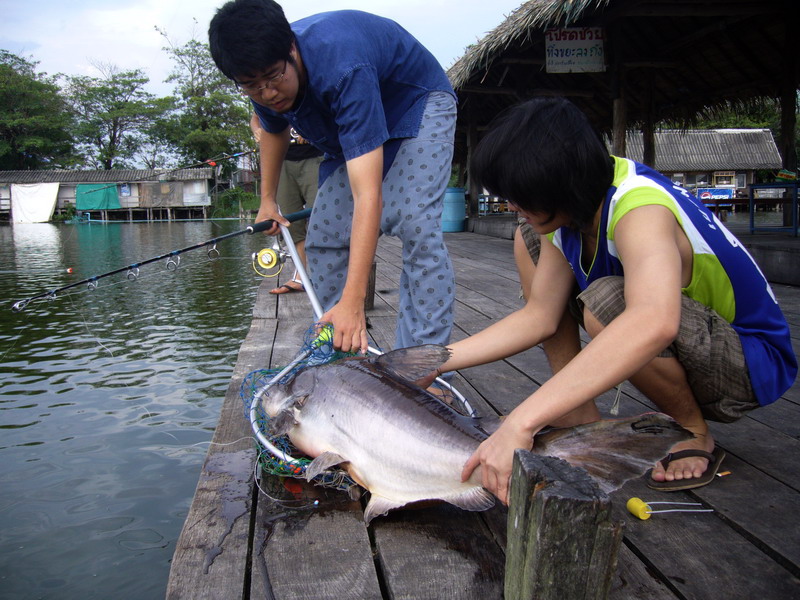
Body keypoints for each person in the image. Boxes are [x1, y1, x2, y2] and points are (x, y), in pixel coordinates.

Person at [426, 97, 797, 505]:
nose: (511, 205)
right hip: (695, 351)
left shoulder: (640, 204)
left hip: (748, 363)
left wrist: (521, 421)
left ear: (558, 181)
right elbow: (540, 317)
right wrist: (428, 362)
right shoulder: (567, 216)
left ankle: (693, 431)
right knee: (528, 236)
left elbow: (654, 322)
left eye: (518, 195)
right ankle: (579, 416)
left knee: (608, 302)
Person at [210, 1, 457, 353]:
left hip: (415, 102)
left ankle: (422, 364)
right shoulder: (263, 76)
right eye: (251, 85)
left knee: (415, 223)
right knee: (324, 233)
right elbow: (273, 131)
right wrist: (267, 201)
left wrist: (355, 300)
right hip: (349, 127)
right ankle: (341, 349)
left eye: (274, 77)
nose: (267, 93)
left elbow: (367, 196)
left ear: (292, 49)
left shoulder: (342, 66)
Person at [250, 115, 322, 295]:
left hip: (316, 156)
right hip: (281, 161)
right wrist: (257, 131)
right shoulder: (266, 93)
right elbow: (256, 117)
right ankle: (300, 277)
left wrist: (312, 126)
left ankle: (326, 278)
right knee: (290, 222)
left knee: (320, 217)